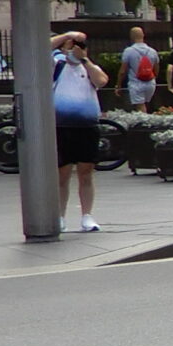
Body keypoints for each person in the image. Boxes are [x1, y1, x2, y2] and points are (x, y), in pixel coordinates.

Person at [51, 31, 108, 232]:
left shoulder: (89, 67)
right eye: (71, 45)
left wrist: (85, 59)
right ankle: (59, 216)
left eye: (80, 45)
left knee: (86, 172)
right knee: (62, 174)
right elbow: (42, 48)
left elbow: (101, 81)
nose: (75, 48)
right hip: (61, 126)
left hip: (87, 126)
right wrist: (67, 36)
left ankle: (87, 215)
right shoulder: (56, 64)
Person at [117, 25, 160, 111]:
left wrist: (118, 85)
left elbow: (122, 71)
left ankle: (143, 123)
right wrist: (153, 78)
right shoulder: (152, 51)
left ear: (131, 36)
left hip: (136, 83)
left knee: (140, 106)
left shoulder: (129, 51)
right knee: (146, 104)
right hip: (150, 83)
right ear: (143, 35)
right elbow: (156, 68)